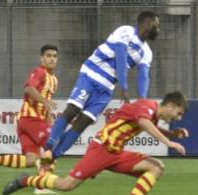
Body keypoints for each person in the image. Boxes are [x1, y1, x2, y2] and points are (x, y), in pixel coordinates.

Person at [2, 91, 189, 195]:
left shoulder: (152, 114)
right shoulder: (146, 106)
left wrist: (172, 132)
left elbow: (149, 123)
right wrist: (169, 142)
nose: (177, 117)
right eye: (178, 113)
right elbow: (143, 123)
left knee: (156, 167)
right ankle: (26, 180)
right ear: (170, 106)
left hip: (116, 154)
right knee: (66, 185)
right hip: (102, 149)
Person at [40, 11, 159, 163]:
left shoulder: (147, 52)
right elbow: (121, 56)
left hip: (106, 88)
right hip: (91, 74)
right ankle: (48, 148)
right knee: (72, 111)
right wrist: (124, 86)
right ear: (147, 23)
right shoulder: (126, 31)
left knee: (83, 123)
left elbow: (144, 76)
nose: (158, 28)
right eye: (156, 24)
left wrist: (142, 100)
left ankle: (51, 159)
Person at [0, 44, 59, 175]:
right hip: (31, 119)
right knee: (53, 146)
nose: (52, 59)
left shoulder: (54, 80)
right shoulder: (40, 72)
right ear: (41, 58)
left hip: (25, 122)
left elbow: (46, 104)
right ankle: (43, 185)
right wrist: (45, 101)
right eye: (48, 56)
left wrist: (50, 121)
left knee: (31, 159)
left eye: (55, 56)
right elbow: (28, 88)